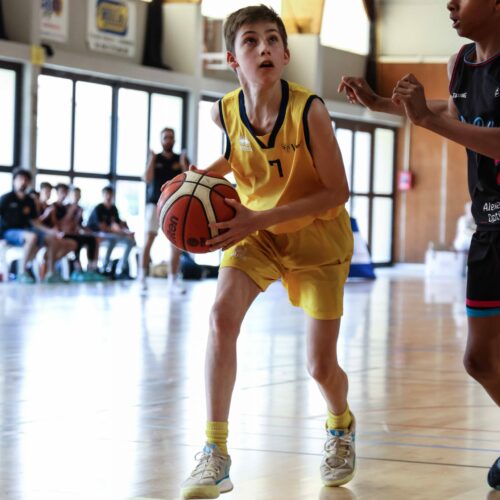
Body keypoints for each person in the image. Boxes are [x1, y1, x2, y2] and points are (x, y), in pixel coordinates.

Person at [180, 6, 353, 499]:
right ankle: (215, 452)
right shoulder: (223, 111)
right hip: (255, 233)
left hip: (317, 238)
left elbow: (337, 191)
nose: (264, 48)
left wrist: (256, 218)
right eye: (251, 41)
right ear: (233, 59)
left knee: (320, 366)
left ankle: (340, 424)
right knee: (220, 318)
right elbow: (239, 155)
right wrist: (196, 182)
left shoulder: (309, 111)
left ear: (286, 54)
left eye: (273, 39)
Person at [338, 0, 500, 490]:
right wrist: (383, 104)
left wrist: (428, 122)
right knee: (479, 360)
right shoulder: (459, 64)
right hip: (489, 229)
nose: (450, 3)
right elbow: (452, 112)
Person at [0, 168, 76, 283]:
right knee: (32, 237)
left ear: (29, 182)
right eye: (20, 179)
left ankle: (51, 273)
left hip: (27, 230)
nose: (23, 182)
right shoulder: (6, 198)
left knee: (52, 239)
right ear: (14, 181)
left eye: (26, 180)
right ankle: (22, 272)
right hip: (9, 232)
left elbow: (35, 222)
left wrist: (51, 231)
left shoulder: (29, 201)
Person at [140, 127, 188, 293]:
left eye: (171, 137)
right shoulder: (155, 158)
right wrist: (151, 160)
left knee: (176, 244)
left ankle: (173, 281)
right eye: (165, 137)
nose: (168, 140)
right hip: (154, 204)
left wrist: (183, 163)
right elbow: (147, 179)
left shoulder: (180, 159)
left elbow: (189, 180)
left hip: (174, 205)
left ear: (174, 140)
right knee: (148, 241)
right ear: (161, 140)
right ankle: (141, 278)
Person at [41, 183, 102, 281]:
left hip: (71, 233)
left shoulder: (67, 207)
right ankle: (77, 269)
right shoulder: (54, 206)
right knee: (76, 242)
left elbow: (75, 224)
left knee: (92, 239)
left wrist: (79, 219)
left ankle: (91, 269)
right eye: (61, 192)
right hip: (60, 234)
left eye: (65, 192)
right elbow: (62, 224)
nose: (63, 195)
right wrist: (71, 211)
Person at [87, 185, 136, 279]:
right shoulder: (98, 208)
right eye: (107, 194)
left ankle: (121, 269)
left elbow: (117, 224)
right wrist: (120, 232)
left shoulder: (114, 209)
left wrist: (126, 231)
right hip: (96, 234)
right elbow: (103, 227)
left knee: (130, 241)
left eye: (110, 194)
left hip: (110, 235)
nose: (109, 196)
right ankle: (104, 267)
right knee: (112, 240)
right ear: (103, 195)